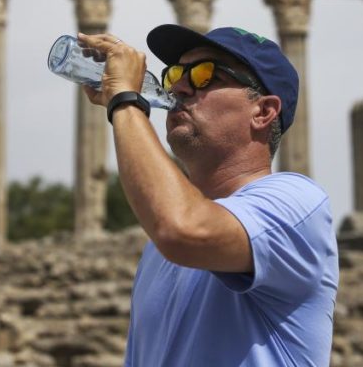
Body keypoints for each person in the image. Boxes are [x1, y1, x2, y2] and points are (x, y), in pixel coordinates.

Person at [78, 24, 339, 367]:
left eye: (205, 75)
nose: (179, 87)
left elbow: (182, 228)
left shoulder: (298, 204)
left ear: (263, 112)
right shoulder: (157, 250)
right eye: (175, 75)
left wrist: (126, 102)